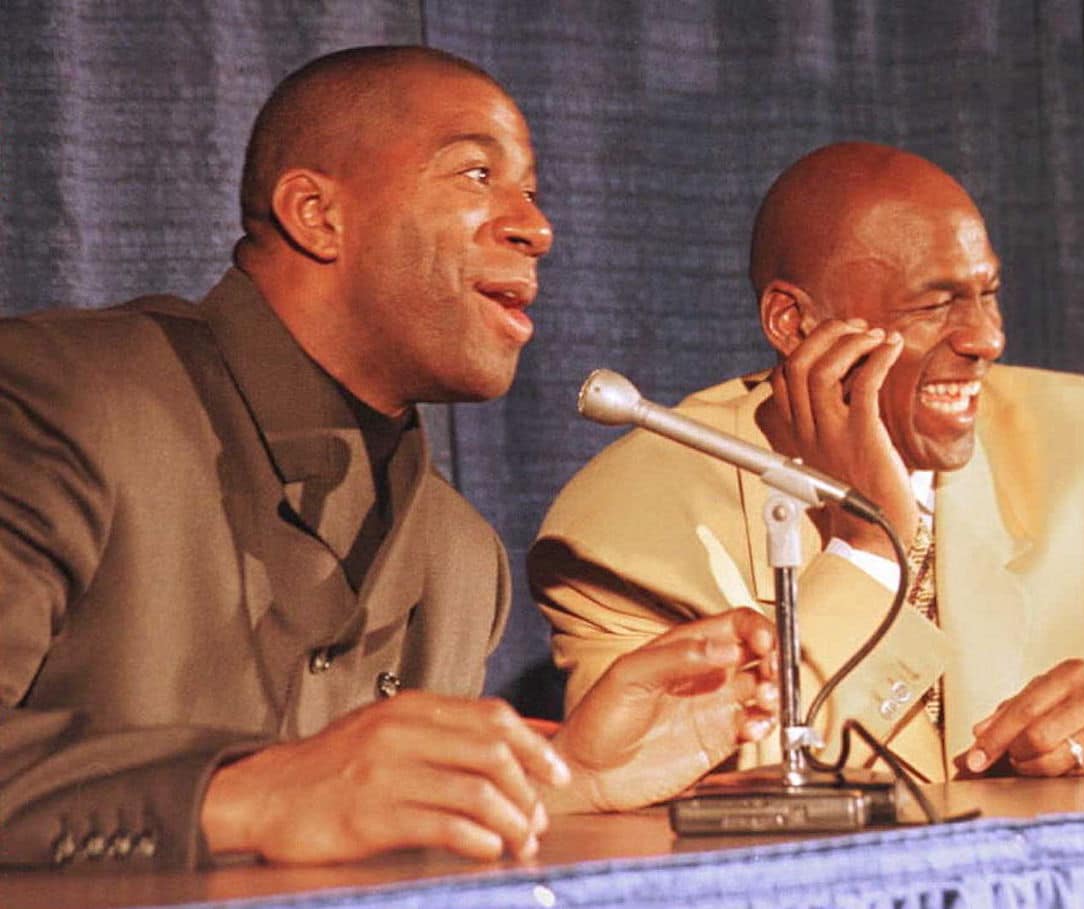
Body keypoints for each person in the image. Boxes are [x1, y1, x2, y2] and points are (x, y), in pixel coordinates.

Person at [0, 46, 780, 872]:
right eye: (477, 175)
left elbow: (357, 827)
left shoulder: (462, 559)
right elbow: (294, 800)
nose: (536, 228)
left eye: (533, 192)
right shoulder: (64, 396)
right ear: (316, 214)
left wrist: (565, 779)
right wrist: (254, 793)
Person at [532, 141, 1084, 786]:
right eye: (934, 306)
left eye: (988, 294)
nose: (986, 340)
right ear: (795, 323)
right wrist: (870, 548)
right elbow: (667, 784)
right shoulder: (626, 526)